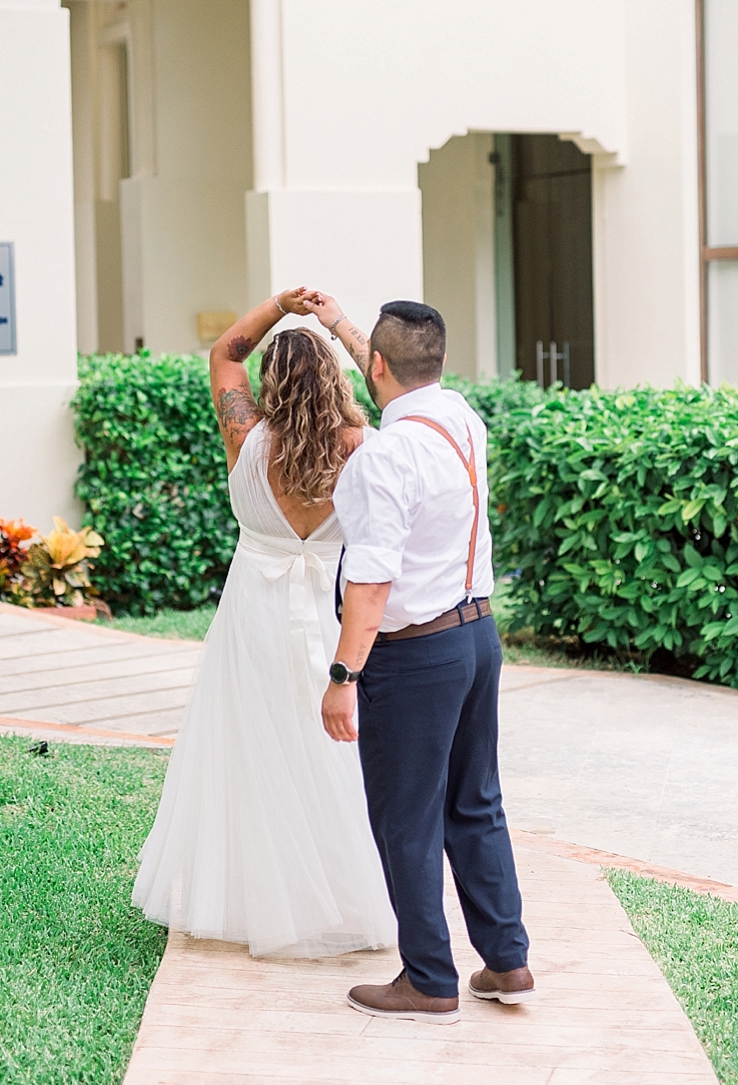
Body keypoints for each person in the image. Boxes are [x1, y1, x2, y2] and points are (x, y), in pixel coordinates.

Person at [131, 290, 396, 959]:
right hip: (333, 614)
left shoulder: (245, 436)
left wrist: (281, 306)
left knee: (255, 750)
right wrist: (333, 322)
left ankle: (261, 903)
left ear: (269, 383)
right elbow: (388, 381)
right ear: (338, 377)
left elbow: (225, 351)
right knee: (335, 750)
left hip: (252, 612)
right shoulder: (363, 447)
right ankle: (349, 896)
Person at [308, 294, 533, 1022]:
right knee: (476, 802)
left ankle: (429, 977)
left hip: (415, 655)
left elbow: (370, 583)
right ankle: (506, 959)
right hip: (477, 637)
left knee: (406, 817)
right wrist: (342, 324)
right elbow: (394, 369)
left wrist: (342, 678)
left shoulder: (383, 457)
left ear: (376, 365)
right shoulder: (462, 419)